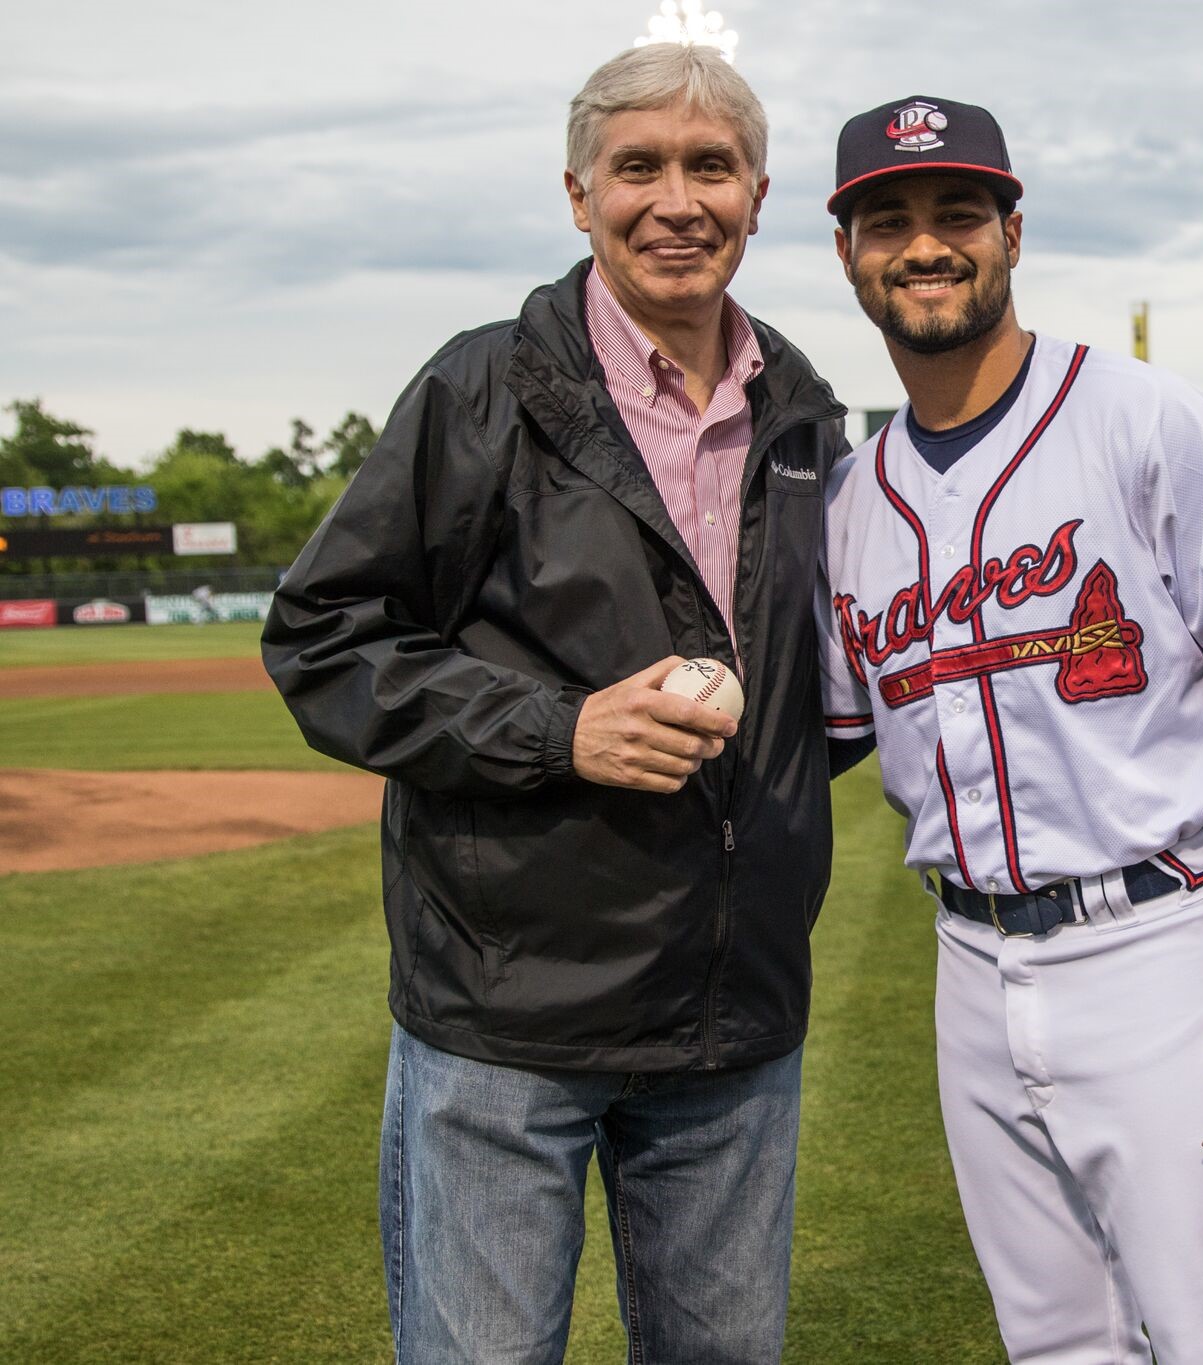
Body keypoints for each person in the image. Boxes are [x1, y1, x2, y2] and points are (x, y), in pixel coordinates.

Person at [816, 96, 1203, 1363]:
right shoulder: (851, 500)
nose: (926, 246)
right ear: (848, 256)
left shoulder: (1144, 419)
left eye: (957, 215)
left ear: (1012, 234)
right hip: (967, 966)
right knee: (1053, 1344)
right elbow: (822, 740)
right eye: (892, 222)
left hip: (1158, 948)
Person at [262, 46, 848, 1364]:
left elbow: (824, 694)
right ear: (578, 196)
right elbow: (321, 635)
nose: (676, 199)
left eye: (710, 166)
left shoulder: (805, 414)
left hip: (733, 1020)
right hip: (508, 1022)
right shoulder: (480, 392)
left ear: (758, 195)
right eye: (638, 167)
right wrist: (560, 728)